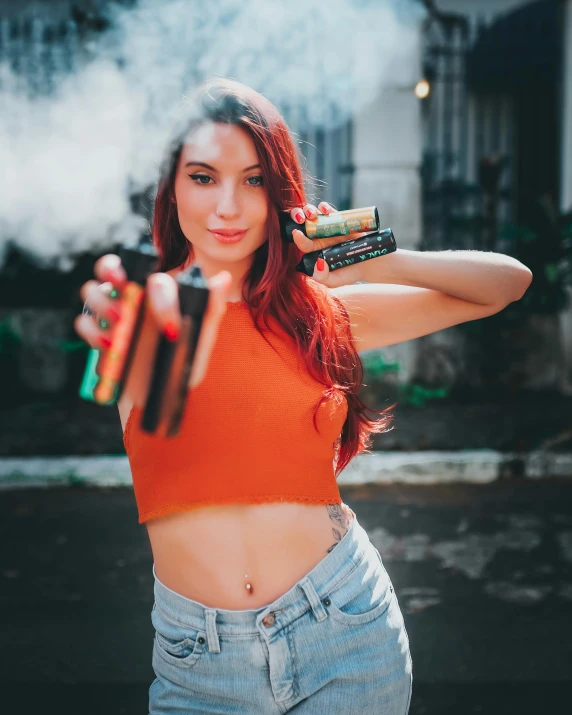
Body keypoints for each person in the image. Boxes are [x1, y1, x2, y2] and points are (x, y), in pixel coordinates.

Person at [74, 78, 532, 714]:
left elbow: (507, 284)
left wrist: (369, 257)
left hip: (344, 630)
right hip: (199, 663)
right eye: (203, 177)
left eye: (254, 180)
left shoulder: (319, 312)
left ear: (280, 195)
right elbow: (140, 372)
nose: (228, 207)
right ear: (171, 187)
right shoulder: (144, 319)